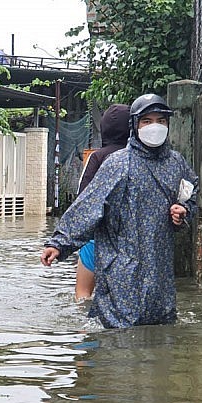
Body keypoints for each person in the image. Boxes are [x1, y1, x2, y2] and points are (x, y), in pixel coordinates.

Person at [40, 94, 199, 328]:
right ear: (135, 125)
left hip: (160, 269)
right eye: (147, 121)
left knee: (160, 331)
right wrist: (59, 243)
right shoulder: (118, 164)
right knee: (119, 337)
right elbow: (88, 207)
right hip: (121, 267)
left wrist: (183, 211)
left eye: (160, 121)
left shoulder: (176, 163)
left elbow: (191, 193)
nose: (154, 127)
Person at [73, 104, 131, 301]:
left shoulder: (97, 157)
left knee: (83, 295)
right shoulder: (141, 158)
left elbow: (82, 200)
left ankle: (84, 331)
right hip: (131, 241)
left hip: (96, 239)